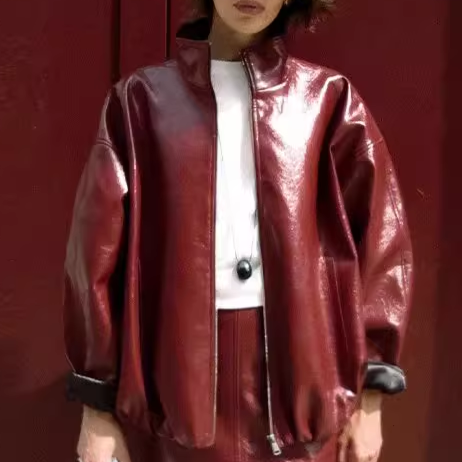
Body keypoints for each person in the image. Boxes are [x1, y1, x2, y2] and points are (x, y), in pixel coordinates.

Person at [62, 0, 414, 461]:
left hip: (303, 378)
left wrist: (371, 396)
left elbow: (384, 248)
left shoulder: (330, 100)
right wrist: (97, 406)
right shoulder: (139, 102)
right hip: (176, 382)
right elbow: (94, 258)